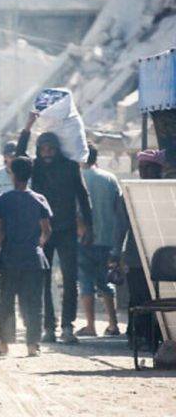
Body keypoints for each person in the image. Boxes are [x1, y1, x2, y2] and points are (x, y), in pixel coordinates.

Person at [16, 112, 93, 344]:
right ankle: (48, 327)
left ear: (57, 149)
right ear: (39, 150)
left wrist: (89, 226)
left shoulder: (70, 167)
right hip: (43, 231)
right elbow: (20, 156)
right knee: (43, 280)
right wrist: (28, 126)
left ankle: (67, 326)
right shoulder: (35, 168)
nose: (47, 153)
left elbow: (83, 196)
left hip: (68, 229)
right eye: (43, 149)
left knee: (70, 279)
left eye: (51, 148)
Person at [0, 157, 52, 357]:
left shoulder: (3, 199)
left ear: (12, 174)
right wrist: (37, 245)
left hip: (9, 259)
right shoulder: (39, 199)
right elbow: (47, 230)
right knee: (34, 303)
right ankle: (32, 345)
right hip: (34, 260)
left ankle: (4, 344)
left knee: (7, 302)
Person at [112, 150, 163, 349]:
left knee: (158, 299)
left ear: (159, 169)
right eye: (142, 168)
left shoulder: (169, 192)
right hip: (136, 257)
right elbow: (120, 228)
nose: (144, 172)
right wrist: (115, 254)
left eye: (149, 168)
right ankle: (138, 335)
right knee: (139, 298)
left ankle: (157, 336)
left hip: (164, 258)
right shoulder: (128, 194)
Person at [74, 143, 122, 337]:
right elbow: (119, 212)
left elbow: (75, 211)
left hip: (83, 240)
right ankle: (113, 324)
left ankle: (91, 325)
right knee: (105, 283)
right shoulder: (110, 178)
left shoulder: (78, 178)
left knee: (85, 283)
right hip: (108, 240)